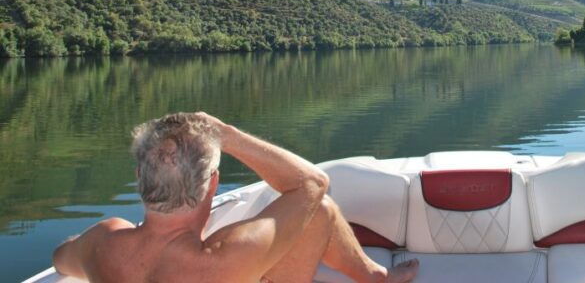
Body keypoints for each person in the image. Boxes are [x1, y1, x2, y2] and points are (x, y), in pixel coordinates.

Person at [52, 112, 419, 283]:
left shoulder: (103, 242)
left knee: (317, 209)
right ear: (213, 184)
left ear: (139, 178)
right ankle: (375, 279)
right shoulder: (227, 257)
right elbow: (312, 183)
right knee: (317, 209)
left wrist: (91, 248)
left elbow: (61, 259)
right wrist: (227, 135)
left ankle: (372, 277)